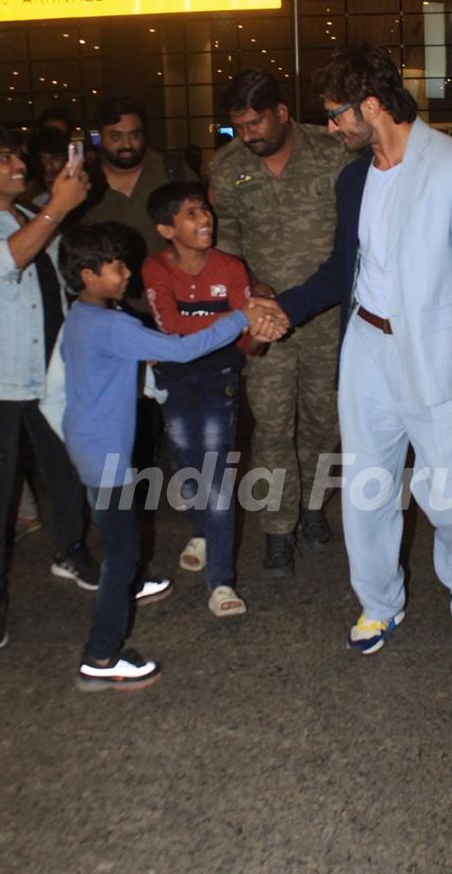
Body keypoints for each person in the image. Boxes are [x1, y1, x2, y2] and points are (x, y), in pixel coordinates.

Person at [277, 44, 452, 654]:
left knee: (449, 500)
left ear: (373, 105)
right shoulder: (355, 176)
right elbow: (341, 269)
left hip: (437, 357)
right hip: (366, 350)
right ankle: (379, 603)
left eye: (337, 114)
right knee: (366, 488)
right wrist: (286, 307)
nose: (330, 127)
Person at [58, 222, 286, 691]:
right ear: (87, 274)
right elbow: (183, 349)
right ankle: (101, 656)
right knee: (122, 552)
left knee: (116, 536)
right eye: (115, 266)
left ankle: (125, 585)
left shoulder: (79, 316)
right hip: (107, 455)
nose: (126, 274)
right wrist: (241, 317)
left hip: (84, 443)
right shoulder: (114, 325)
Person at [209, 69, 356, 577]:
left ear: (282, 113)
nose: (247, 135)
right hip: (264, 324)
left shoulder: (332, 151)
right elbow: (223, 249)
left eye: (255, 123)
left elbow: (355, 233)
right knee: (271, 426)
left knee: (322, 421)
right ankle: (277, 529)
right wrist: (250, 293)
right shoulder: (227, 169)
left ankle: (311, 508)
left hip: (330, 317)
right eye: (238, 126)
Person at [0, 125, 99, 652]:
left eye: (16, 156)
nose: (17, 165)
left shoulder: (28, 216)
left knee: (68, 466)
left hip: (50, 372)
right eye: (3, 158)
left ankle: (71, 548)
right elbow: (6, 262)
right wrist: (60, 206)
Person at [143, 182, 265, 616]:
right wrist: (235, 320)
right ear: (166, 228)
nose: (204, 219)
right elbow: (171, 325)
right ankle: (201, 529)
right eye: (191, 214)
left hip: (219, 375)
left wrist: (255, 333)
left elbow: (247, 331)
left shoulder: (231, 267)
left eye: (204, 211)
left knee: (215, 475)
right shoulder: (155, 269)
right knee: (185, 461)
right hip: (174, 374)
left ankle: (221, 583)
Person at [81, 96, 197, 310]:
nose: (127, 144)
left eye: (134, 135)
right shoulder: (84, 185)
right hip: (110, 314)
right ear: (99, 138)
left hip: (176, 307)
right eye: (116, 136)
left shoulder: (171, 172)